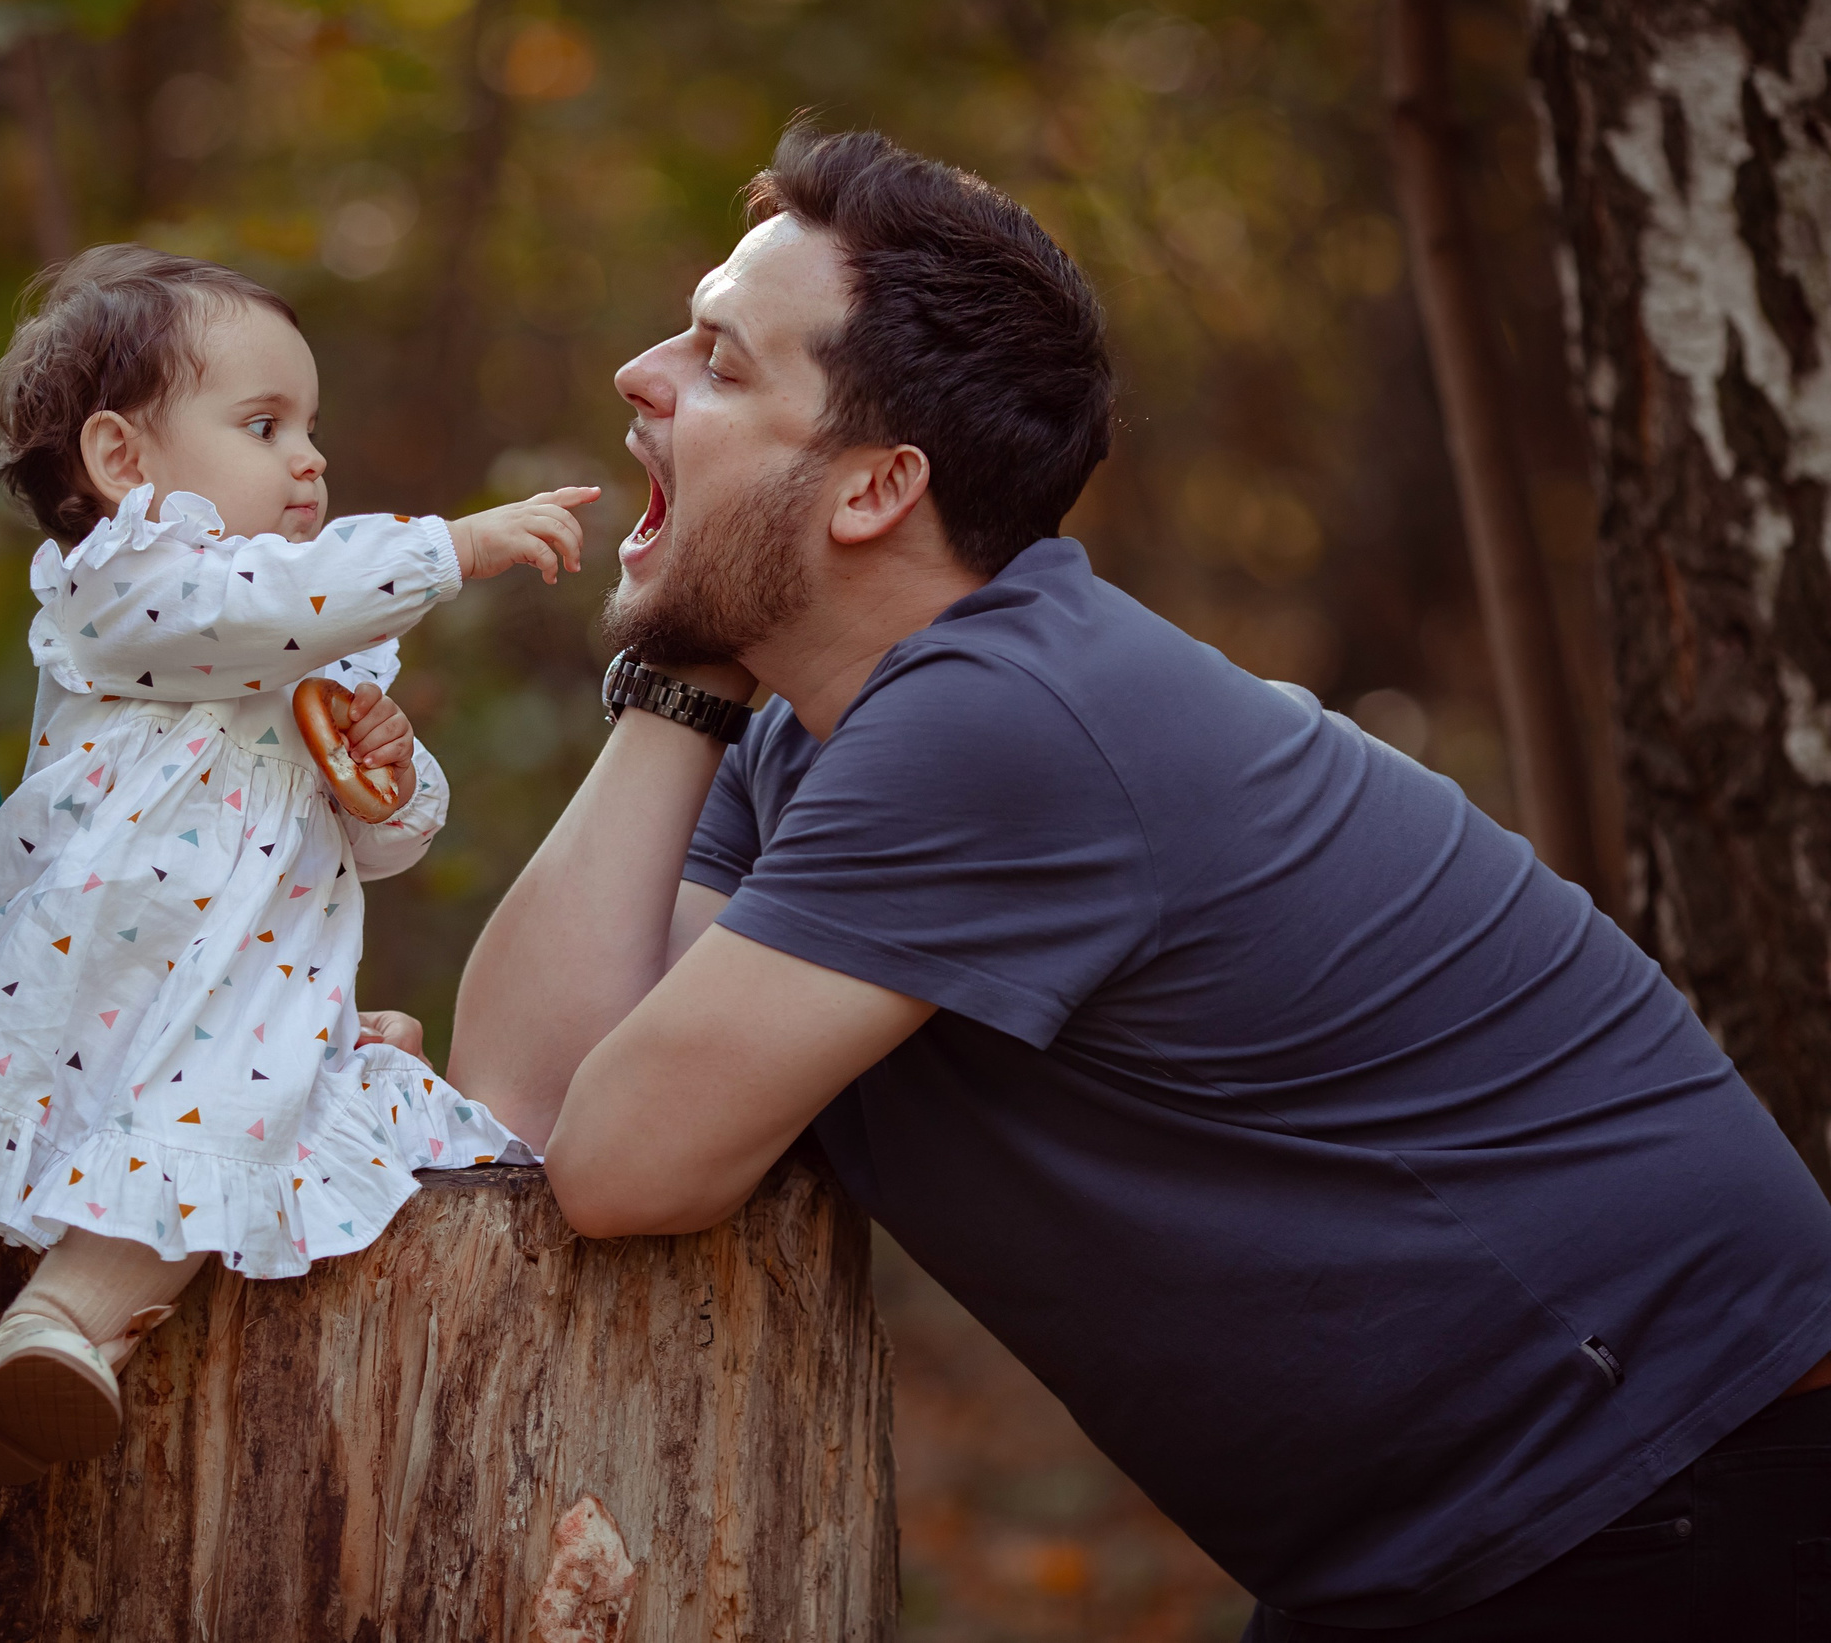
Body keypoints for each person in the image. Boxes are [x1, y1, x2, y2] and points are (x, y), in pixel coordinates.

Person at [449, 126, 1831, 1641]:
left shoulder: (1001, 724)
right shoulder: (813, 739)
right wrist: (685, 687)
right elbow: (525, 1107)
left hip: (1670, 1473)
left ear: (873, 491)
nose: (644, 378)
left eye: (719, 363)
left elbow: (623, 1167)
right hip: (1486, 1522)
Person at [0, 245, 583, 1573]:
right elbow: (253, 610)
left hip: (222, 998)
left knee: (195, 1171)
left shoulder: (315, 638)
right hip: (43, 987)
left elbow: (380, 835)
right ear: (124, 463)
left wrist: (393, 772)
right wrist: (450, 548)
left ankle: (59, 1338)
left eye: (311, 429)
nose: (311, 462)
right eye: (262, 425)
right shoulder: (122, 590)